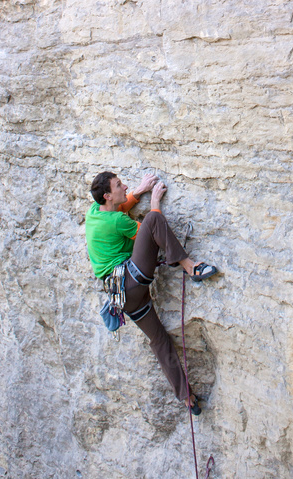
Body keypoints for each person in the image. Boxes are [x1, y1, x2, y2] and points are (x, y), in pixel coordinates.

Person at [85, 170, 218, 413]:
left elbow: (119, 208)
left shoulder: (94, 213)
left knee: (158, 339)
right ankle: (191, 267)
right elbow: (149, 230)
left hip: (123, 298)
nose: (125, 186)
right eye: (119, 185)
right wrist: (154, 201)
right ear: (107, 195)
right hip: (132, 280)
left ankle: (185, 396)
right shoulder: (117, 221)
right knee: (153, 220)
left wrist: (138, 191)